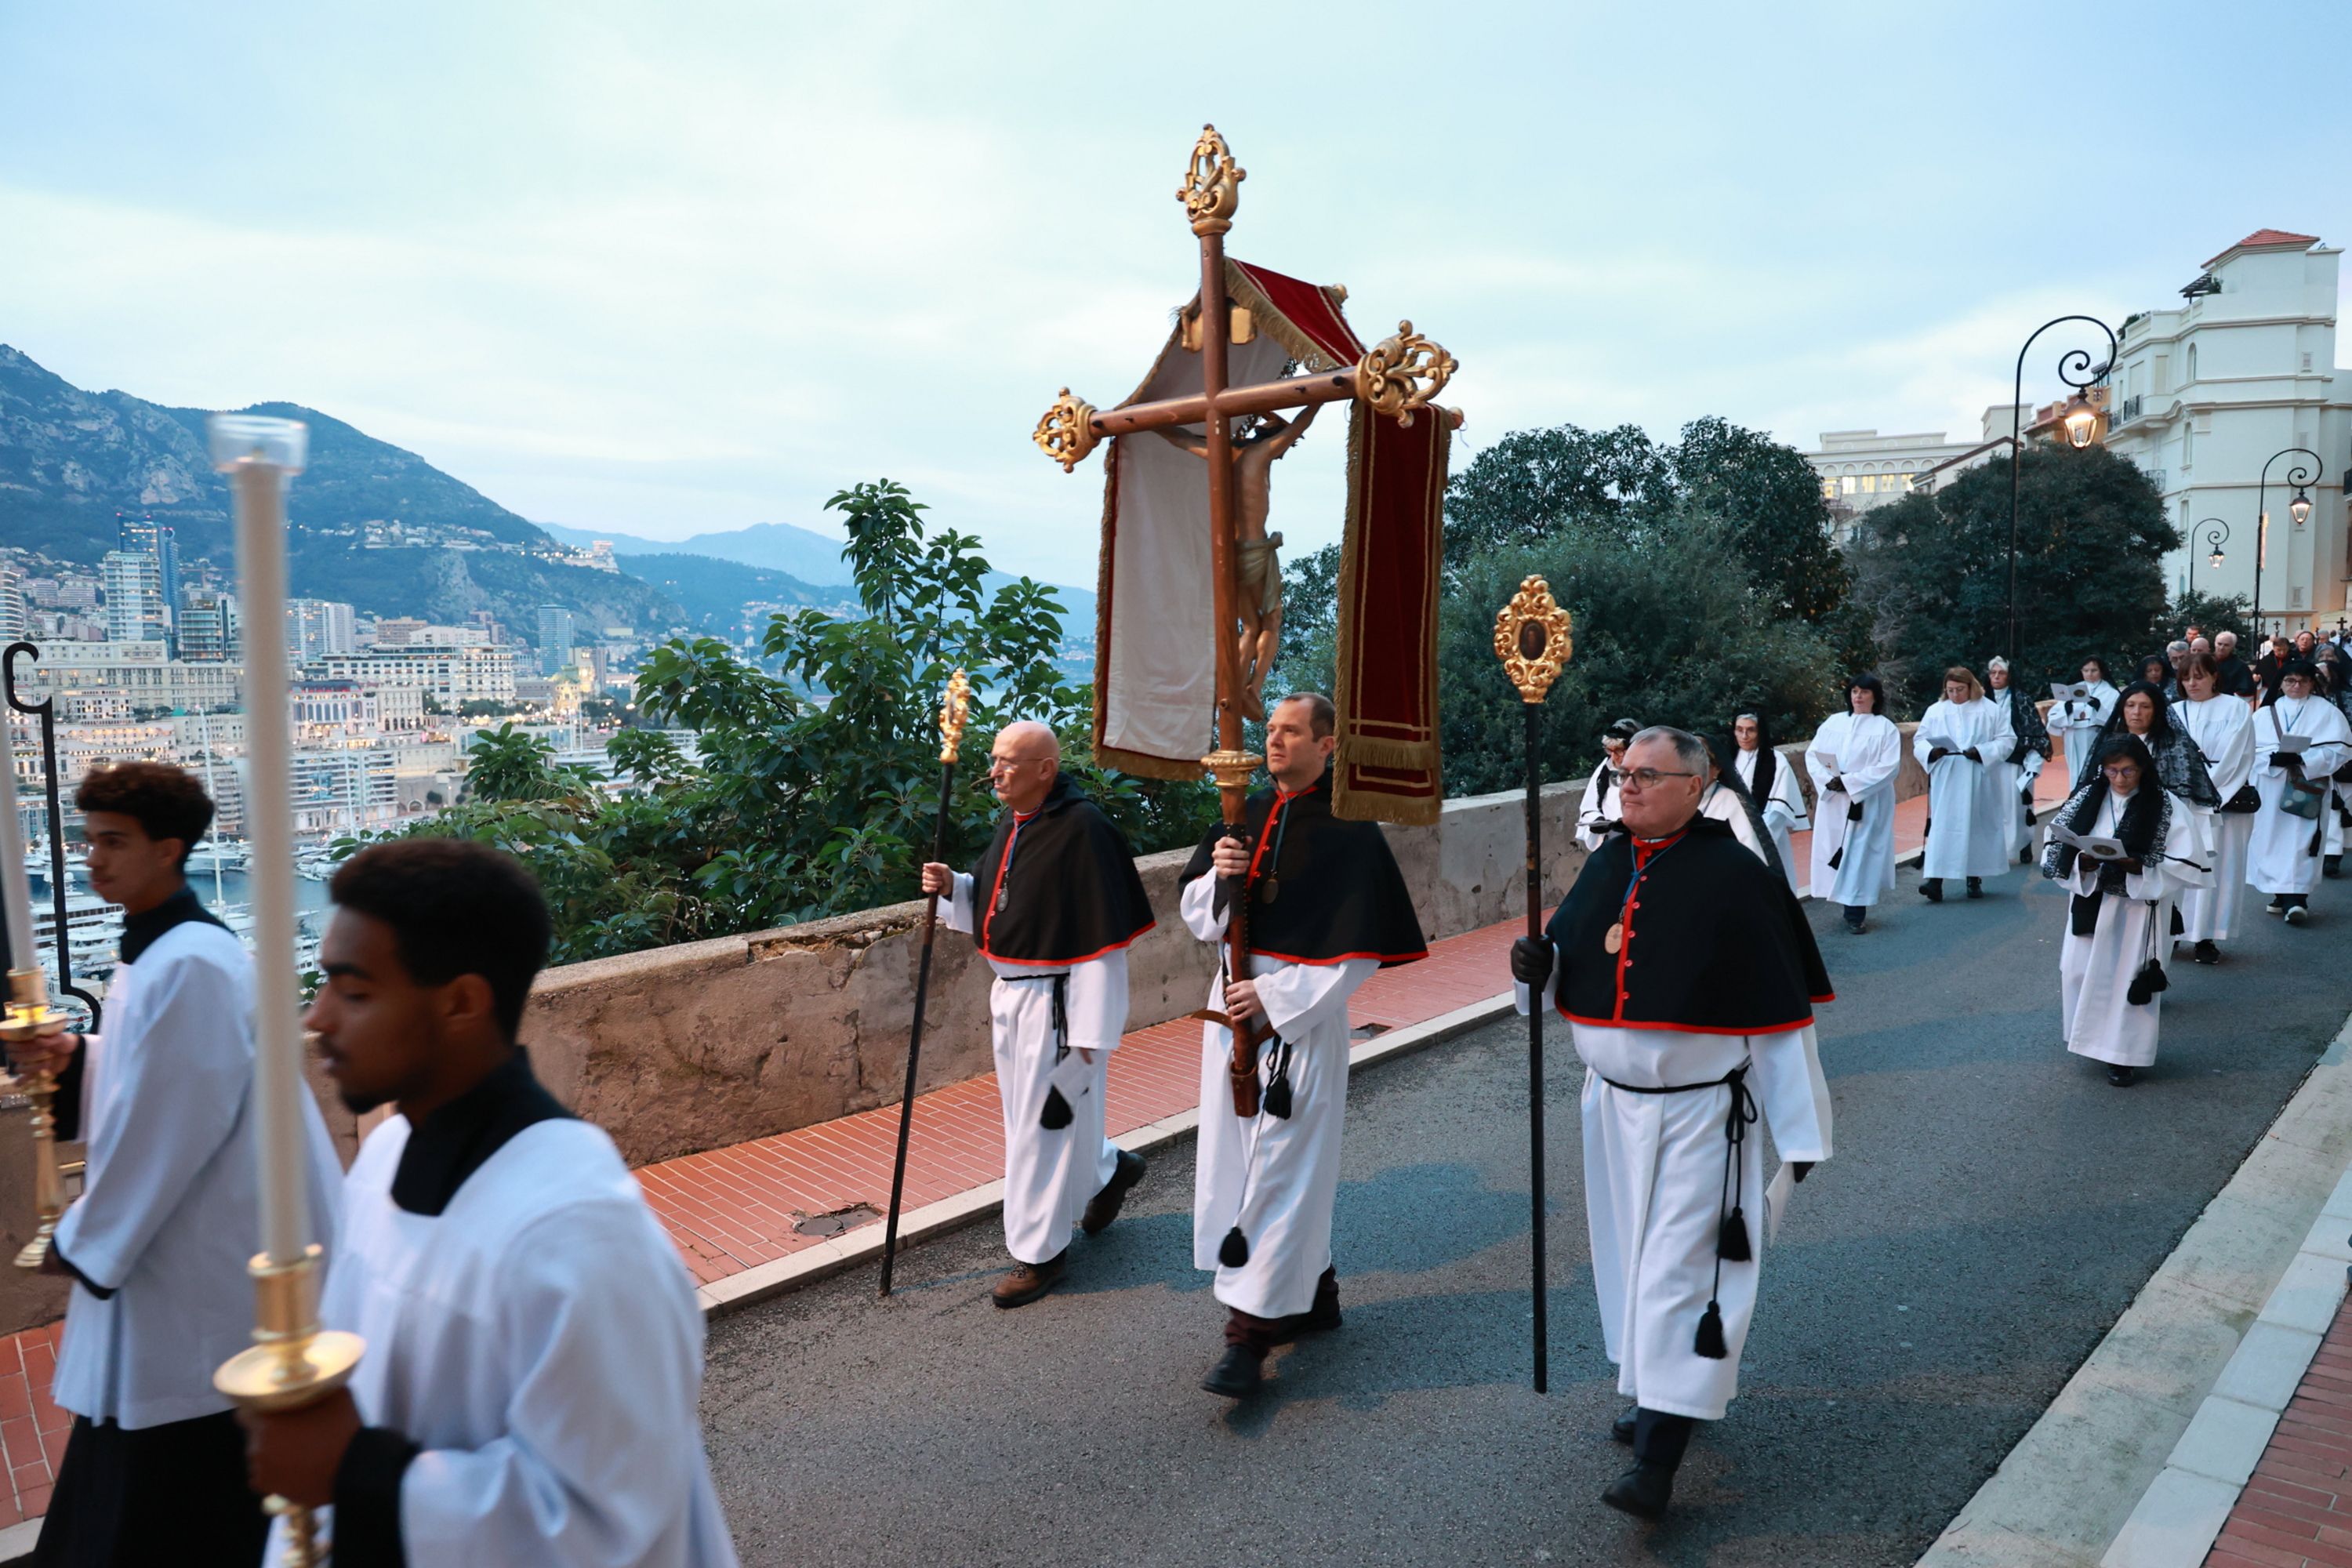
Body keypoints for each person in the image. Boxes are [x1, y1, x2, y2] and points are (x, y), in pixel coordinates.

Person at [241, 840, 739, 1566]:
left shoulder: (579, 1230)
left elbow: (603, 1520)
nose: (317, 1020)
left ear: (461, 1003)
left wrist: (357, 1472)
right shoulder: (382, 1157)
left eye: (353, 993)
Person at [11, 764, 343, 1568]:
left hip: (198, 1273)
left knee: (174, 1498)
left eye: (114, 842)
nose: (93, 858)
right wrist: (73, 1057)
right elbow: (152, 1076)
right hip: (184, 1262)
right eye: (89, 839)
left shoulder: (189, 960)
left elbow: (170, 1126)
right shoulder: (162, 949)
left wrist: (85, 1239)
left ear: (169, 850)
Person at [1508, 727, 1833, 1521]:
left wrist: (1800, 1132)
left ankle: (1659, 1454)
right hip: (1610, 1106)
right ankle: (1657, 1392)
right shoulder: (1608, 860)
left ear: (1698, 782)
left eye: (1649, 775)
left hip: (1700, 1116)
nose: (1630, 786)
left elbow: (1778, 1016)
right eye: (1624, 773)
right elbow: (1562, 975)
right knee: (1628, 1263)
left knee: (1682, 1272)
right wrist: (1531, 972)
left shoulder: (1736, 877)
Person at [1181, 692, 1426, 1400]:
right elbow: (1201, 921)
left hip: (1297, 1024)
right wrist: (1217, 879)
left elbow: (1358, 953)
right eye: (1272, 731)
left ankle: (1247, 1336)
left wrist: (1278, 999)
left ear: (1328, 744)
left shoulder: (1351, 828)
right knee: (1239, 1159)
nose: (1275, 742)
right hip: (1230, 1014)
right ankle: (1314, 1295)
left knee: (1282, 1168)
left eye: (1292, 732)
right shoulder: (1244, 813)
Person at [920, 720, 1158, 1307]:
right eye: (994, 760)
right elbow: (1005, 899)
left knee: (1036, 1128)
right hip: (1012, 996)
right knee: (1046, 1120)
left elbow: (1105, 949)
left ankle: (1039, 1253)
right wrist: (955, 887)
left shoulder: (1086, 833)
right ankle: (1108, 1170)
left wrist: (1090, 1043)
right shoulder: (1019, 819)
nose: (994, 772)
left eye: (1008, 762)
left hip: (1059, 1003)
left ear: (1046, 770)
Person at [2044, 735, 2211, 1087]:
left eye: (2128, 770)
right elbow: (2055, 842)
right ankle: (2091, 1040)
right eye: (2112, 770)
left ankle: (2123, 1057)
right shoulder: (2087, 798)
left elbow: (2187, 862)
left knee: (2126, 981)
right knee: (2078, 971)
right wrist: (2082, 861)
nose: (2119, 779)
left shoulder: (2166, 805)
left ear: (2143, 769)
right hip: (2092, 899)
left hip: (2139, 907)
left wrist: (2142, 867)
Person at [1154, 405, 1318, 721]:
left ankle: (1231, 687)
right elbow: (1299, 425)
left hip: (1229, 554)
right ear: (1272, 439)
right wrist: (1322, 399)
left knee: (1250, 626)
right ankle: (1253, 688)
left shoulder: (1222, 454)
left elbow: (1181, 439)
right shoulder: (1263, 454)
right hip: (1256, 549)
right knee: (1271, 621)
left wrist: (1150, 421)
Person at [2249, 659, 2352, 924]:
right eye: (2290, 681)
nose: (2296, 686)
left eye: (2303, 681)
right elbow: (2249, 751)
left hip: (2308, 785)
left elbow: (2340, 749)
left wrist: (2306, 759)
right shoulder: (2264, 714)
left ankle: (2297, 899)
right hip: (2272, 787)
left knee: (2302, 840)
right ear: (2280, 684)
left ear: (2312, 683)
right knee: (2271, 840)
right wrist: (2273, 760)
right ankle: (2280, 893)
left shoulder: (2327, 712)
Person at [1802, 676, 1902, 933]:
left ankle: (1855, 912)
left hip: (1867, 800)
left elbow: (1888, 767)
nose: (1857, 697)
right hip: (1835, 800)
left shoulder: (1885, 728)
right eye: (1854, 691)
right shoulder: (1834, 722)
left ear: (1875, 696)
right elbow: (1814, 755)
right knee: (1834, 849)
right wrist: (1830, 780)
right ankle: (1843, 901)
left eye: (1864, 692)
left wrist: (1851, 782)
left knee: (1859, 854)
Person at [2176, 655, 2256, 963]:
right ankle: (2174, 931)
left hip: (2222, 799)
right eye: (2186, 678)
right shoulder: (2173, 711)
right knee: (2178, 866)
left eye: (2198, 676)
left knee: (2216, 869)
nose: (2192, 683)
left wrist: (2208, 792)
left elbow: (2238, 755)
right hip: (2181, 801)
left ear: (2214, 676)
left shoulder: (2235, 708)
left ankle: (2206, 936)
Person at [1914, 666, 2017, 902]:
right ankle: (1935, 881)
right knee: (1942, 827)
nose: (1955, 695)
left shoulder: (1989, 709)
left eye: (1960, 689)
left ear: (1971, 687)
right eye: (1950, 690)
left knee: (1975, 826)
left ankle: (1973, 878)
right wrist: (1932, 751)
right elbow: (1920, 739)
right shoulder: (1936, 710)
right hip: (1947, 776)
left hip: (1977, 775)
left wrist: (1981, 751)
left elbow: (2007, 739)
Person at [1730, 712, 1807, 894]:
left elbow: (1779, 806)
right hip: (1731, 838)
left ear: (1761, 732)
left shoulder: (1776, 761)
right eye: (1739, 730)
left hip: (1765, 836)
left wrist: (1756, 836)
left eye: (1751, 730)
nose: (1744, 736)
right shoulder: (1728, 759)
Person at [1985, 657, 2051, 865]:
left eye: (2001, 673)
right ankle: (1996, 850)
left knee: (2017, 807)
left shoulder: (2021, 700)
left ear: (2009, 676)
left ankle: (2024, 844)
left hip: (2016, 762)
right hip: (1990, 762)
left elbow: (2036, 735)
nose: (1996, 677)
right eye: (1993, 673)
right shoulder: (1981, 700)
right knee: (1992, 807)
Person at [2053, 657, 2119, 788]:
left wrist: (2098, 707)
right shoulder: (2073, 689)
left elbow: (2115, 720)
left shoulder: (2111, 692)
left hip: (2093, 734)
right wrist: (2066, 709)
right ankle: (2074, 794)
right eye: (2086, 670)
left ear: (2101, 671)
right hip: (2073, 734)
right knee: (2075, 771)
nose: (2089, 674)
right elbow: (2055, 716)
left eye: (2094, 670)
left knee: (2091, 769)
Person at [1578, 718, 1640, 851]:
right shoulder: (1605, 769)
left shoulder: (1649, 772)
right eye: (1609, 751)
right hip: (1611, 843)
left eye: (1618, 751)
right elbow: (1589, 806)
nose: (1614, 757)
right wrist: (1597, 820)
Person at [2212, 631, 2256, 699]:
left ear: (2232, 647)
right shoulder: (2205, 661)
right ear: (2215, 643)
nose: (2221, 648)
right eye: (2219, 644)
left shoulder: (2240, 666)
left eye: (2226, 645)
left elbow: (2246, 690)